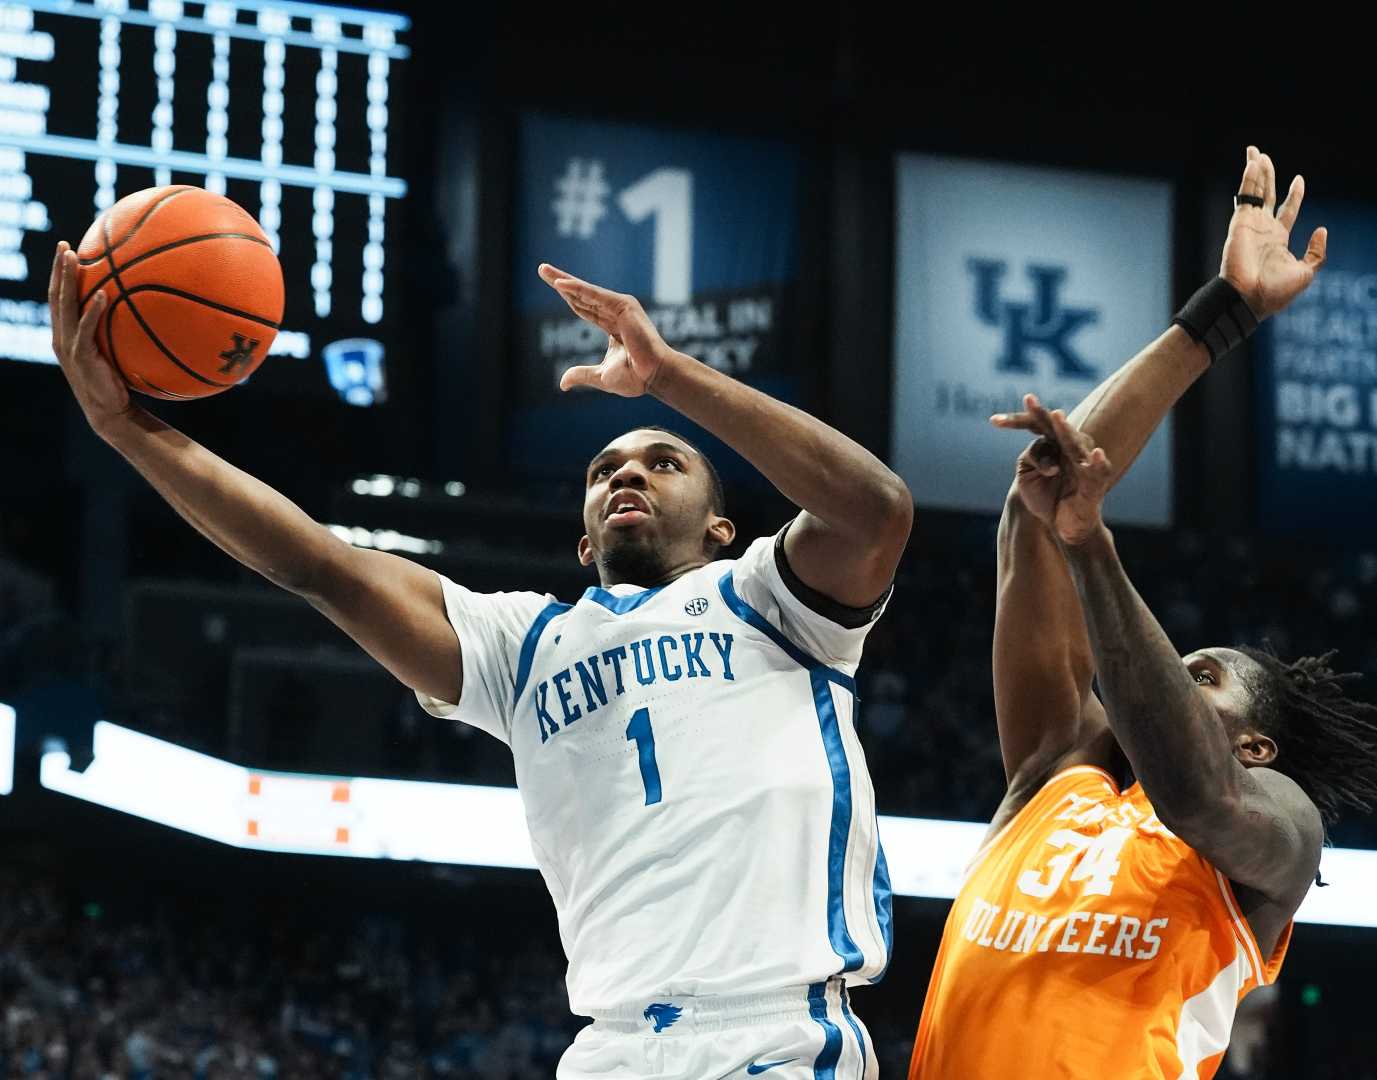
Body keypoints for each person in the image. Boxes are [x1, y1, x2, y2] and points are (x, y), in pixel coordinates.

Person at [50, 249, 911, 1078]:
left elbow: (874, 510)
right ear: (582, 541)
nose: (628, 474)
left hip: (774, 1034)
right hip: (612, 1048)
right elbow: (317, 564)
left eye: (664, 461)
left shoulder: (769, 597)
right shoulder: (522, 646)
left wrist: (670, 377)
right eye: (604, 467)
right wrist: (126, 428)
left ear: (721, 530)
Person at [909, 148, 1377, 1077]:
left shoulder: (1274, 835)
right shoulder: (1054, 772)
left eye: (1200, 675)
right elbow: (1034, 510)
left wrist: (1092, 545)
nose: (1162, 673)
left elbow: (1198, 793)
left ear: (1256, 745)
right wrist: (1217, 319)